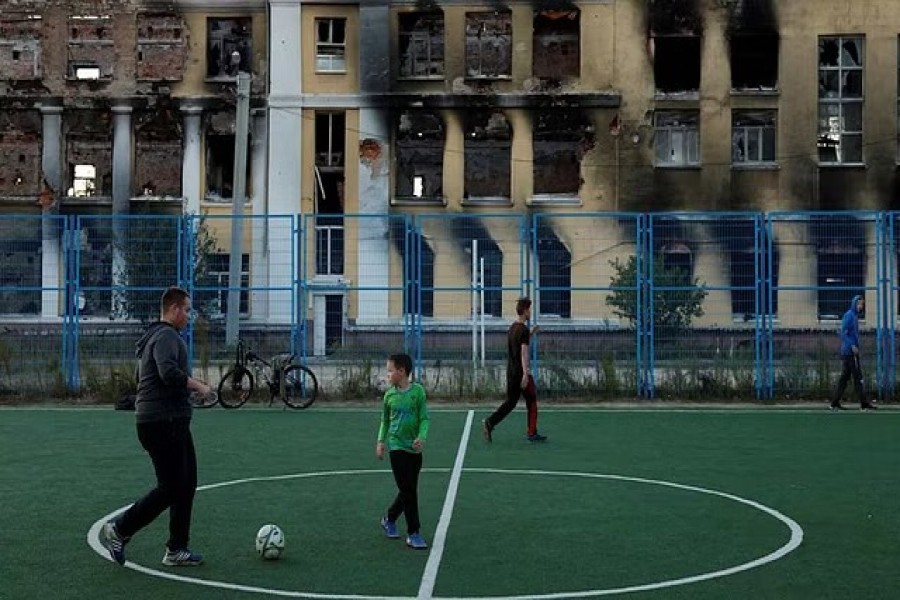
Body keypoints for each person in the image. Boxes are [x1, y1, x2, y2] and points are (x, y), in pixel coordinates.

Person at [100, 286, 212, 566]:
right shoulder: (165, 336)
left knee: (186, 484)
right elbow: (168, 373)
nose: (188, 315)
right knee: (172, 486)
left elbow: (149, 376)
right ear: (173, 309)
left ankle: (177, 548)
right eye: (186, 310)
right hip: (162, 422)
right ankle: (119, 529)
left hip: (168, 420)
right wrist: (197, 385)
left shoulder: (155, 337)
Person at [376, 353, 430, 550]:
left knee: (408, 490)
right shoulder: (389, 395)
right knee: (408, 491)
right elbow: (385, 420)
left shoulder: (418, 393)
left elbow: (424, 419)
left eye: (390, 370)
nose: (387, 374)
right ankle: (413, 532)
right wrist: (381, 441)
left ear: (402, 371)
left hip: (414, 451)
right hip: (396, 447)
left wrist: (421, 437)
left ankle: (389, 518)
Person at [483, 297, 547, 443]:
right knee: (532, 400)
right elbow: (523, 353)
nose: (530, 312)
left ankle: (490, 422)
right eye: (529, 309)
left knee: (510, 402)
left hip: (511, 371)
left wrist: (532, 333)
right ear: (524, 311)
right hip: (520, 373)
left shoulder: (513, 328)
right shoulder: (522, 330)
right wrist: (525, 373)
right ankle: (532, 432)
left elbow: (519, 344)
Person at [831, 294, 876, 411]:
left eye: (862, 304)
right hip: (849, 352)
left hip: (851, 351)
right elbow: (843, 333)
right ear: (854, 304)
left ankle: (834, 402)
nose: (861, 306)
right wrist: (852, 346)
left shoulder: (854, 316)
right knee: (858, 377)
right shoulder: (849, 316)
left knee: (844, 378)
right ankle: (864, 403)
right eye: (859, 304)